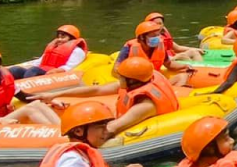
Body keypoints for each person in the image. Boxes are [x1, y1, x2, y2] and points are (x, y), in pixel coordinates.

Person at [35, 57, 180, 135]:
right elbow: (97, 90)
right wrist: (55, 94)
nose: (119, 79)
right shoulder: (142, 81)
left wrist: (77, 131)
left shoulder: (145, 105)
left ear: (131, 80)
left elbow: (112, 129)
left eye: (121, 77)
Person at [115, 20, 192, 84]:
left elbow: (169, 64)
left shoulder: (160, 47)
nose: (157, 38)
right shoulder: (129, 48)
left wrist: (185, 66)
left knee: (183, 76)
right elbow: (116, 69)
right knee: (117, 85)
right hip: (137, 82)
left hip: (154, 80)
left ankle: (177, 96)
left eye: (158, 35)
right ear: (142, 37)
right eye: (153, 36)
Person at [10, 25, 89, 79]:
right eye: (59, 37)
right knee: (15, 69)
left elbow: (70, 66)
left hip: (54, 74)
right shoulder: (54, 47)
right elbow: (40, 61)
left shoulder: (77, 51)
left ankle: (23, 90)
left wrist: (57, 71)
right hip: (41, 70)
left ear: (72, 38)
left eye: (63, 37)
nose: (59, 39)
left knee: (33, 70)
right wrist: (27, 66)